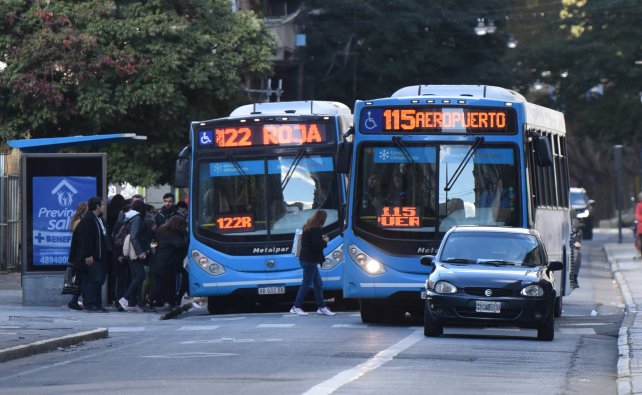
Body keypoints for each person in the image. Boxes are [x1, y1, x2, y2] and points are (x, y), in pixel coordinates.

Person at [290, 209, 335, 316]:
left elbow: (310, 242)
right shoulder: (316, 229)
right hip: (310, 260)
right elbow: (316, 245)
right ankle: (296, 306)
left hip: (305, 258)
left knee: (318, 284)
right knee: (307, 283)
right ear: (322, 219)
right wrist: (325, 241)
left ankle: (322, 306)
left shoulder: (307, 227)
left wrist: (320, 240)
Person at [75, 197, 109, 312]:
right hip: (92, 256)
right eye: (102, 205)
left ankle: (97, 304)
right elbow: (86, 239)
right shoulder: (88, 219)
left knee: (98, 280)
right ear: (98, 206)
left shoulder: (98, 219)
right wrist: (88, 254)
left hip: (100, 256)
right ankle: (89, 304)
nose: (104, 207)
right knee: (94, 280)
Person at [119, 200, 153, 312]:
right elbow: (134, 236)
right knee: (140, 276)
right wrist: (140, 252)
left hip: (130, 251)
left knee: (135, 276)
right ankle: (126, 298)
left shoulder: (129, 217)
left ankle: (134, 303)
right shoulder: (137, 218)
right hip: (135, 251)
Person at [148, 216, 188, 309]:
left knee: (163, 283)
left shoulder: (161, 232)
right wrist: (188, 239)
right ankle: (151, 300)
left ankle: (167, 300)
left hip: (160, 261)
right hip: (167, 263)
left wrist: (153, 250)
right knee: (162, 284)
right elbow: (179, 244)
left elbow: (153, 243)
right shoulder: (174, 235)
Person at [67, 202, 88, 311]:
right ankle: (76, 300)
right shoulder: (79, 222)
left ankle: (75, 300)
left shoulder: (76, 221)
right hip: (79, 255)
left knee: (79, 279)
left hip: (77, 255)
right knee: (80, 279)